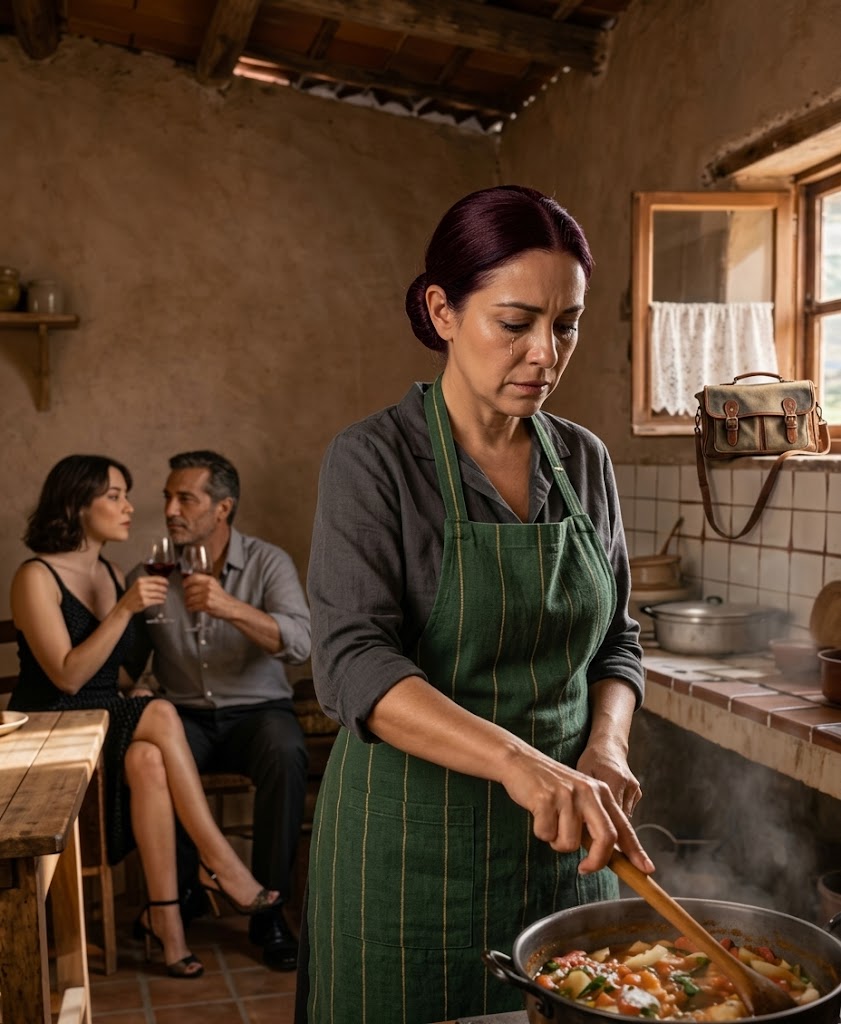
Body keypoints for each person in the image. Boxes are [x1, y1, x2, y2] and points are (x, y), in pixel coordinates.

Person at [300, 184, 655, 1023]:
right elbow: (353, 663)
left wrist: (604, 750)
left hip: (564, 851)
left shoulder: (585, 461)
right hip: (409, 862)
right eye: (515, 322)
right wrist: (520, 765)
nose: (544, 352)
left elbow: (617, 642)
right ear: (443, 311)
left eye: (564, 325)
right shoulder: (372, 461)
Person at [8, 454, 281, 981]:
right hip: (56, 728)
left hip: (105, 723)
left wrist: (140, 682)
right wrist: (125, 610)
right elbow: (67, 677)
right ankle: (220, 862)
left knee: (150, 757)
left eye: (126, 494)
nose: (130, 506)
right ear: (75, 503)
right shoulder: (35, 576)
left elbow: (116, 673)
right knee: (157, 713)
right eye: (114, 495)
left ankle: (169, 931)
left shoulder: (111, 571)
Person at [127, 450, 311, 971]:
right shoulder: (151, 572)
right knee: (151, 755)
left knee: (286, 752)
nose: (170, 509)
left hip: (258, 712)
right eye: (168, 497)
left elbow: (300, 643)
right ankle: (184, 891)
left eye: (186, 498)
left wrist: (229, 606)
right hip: (183, 713)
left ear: (223, 508)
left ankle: (268, 910)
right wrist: (134, 686)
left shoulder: (267, 562)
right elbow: (127, 663)